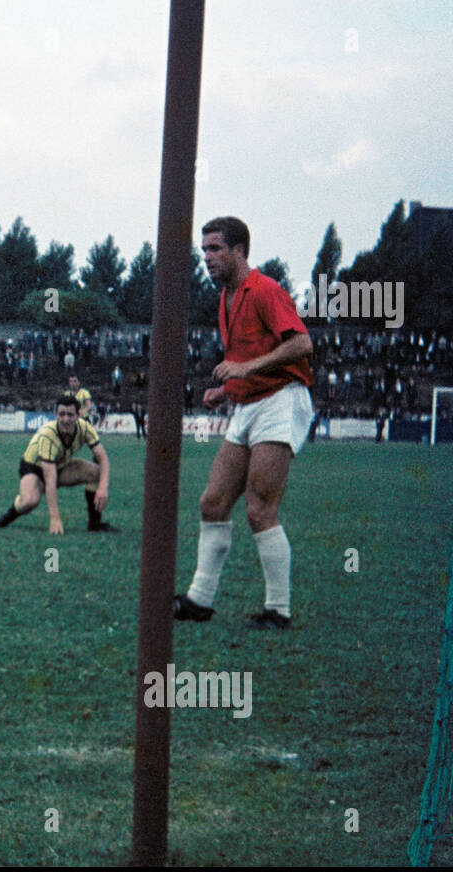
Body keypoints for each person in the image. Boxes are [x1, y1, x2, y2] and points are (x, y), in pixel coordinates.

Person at [173, 216, 314, 630]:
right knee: (212, 502)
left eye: (215, 249)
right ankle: (199, 600)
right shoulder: (226, 296)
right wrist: (228, 390)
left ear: (239, 251)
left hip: (281, 400)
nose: (207, 258)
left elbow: (302, 342)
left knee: (259, 509)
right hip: (249, 403)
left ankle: (279, 609)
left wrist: (245, 368)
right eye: (204, 251)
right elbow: (245, 363)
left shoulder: (265, 290)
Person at [0, 394, 116, 534]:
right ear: (55, 414)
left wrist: (103, 488)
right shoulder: (48, 435)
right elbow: (50, 480)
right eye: (61, 414)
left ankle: (95, 524)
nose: (66, 419)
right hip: (33, 468)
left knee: (96, 473)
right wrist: (55, 518)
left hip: (60, 465)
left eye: (70, 415)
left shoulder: (85, 428)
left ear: (78, 415)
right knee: (30, 501)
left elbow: (103, 458)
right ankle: (8, 516)